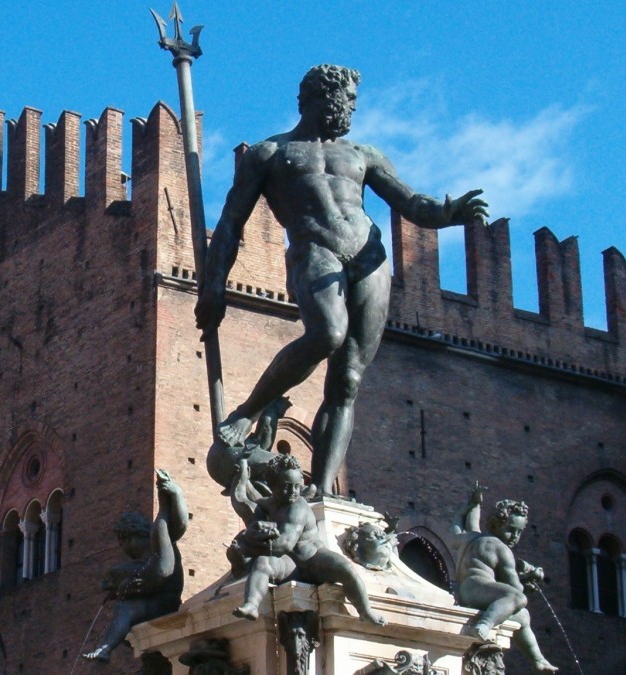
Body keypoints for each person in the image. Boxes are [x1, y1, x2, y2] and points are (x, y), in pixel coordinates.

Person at [195, 64, 489, 496]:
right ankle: (247, 411)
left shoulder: (362, 155)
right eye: (348, 99)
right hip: (314, 251)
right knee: (328, 334)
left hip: (369, 258)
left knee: (347, 379)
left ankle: (324, 494)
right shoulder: (270, 154)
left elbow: (410, 202)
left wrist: (448, 214)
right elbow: (230, 223)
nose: (353, 108)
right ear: (322, 95)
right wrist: (214, 286)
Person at [229, 454, 385, 625]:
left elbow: (283, 544)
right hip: (291, 564)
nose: (293, 492)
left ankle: (365, 611)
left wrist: (248, 546)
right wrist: (241, 476)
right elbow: (245, 503)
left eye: (297, 486)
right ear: (273, 485)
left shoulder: (298, 507)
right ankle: (252, 604)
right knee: (263, 563)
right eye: (286, 486)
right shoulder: (269, 504)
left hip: (314, 561)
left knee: (346, 568)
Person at [83, 469, 188, 663]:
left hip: (166, 604)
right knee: (125, 609)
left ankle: (105, 648)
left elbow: (180, 524)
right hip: (154, 604)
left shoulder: (158, 540)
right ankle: (105, 648)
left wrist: (175, 493)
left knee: (125, 609)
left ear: (136, 535)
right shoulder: (143, 560)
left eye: (125, 541)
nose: (123, 548)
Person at [451, 482, 557, 672]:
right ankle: (485, 624)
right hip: (478, 591)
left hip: (466, 590)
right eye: (511, 529)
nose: (515, 536)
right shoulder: (501, 549)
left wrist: (471, 506)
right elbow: (515, 590)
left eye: (519, 532)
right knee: (519, 599)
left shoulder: (471, 537)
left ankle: (538, 659)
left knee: (523, 617)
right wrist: (528, 577)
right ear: (495, 524)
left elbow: (458, 528)